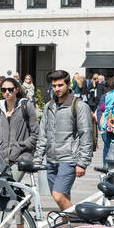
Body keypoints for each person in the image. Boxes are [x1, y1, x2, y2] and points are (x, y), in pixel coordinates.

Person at [34, 69, 94, 211]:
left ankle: (79, 224)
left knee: (58, 195)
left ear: (68, 84)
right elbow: (43, 133)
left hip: (69, 159)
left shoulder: (79, 106)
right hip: (51, 159)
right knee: (63, 198)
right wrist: (38, 158)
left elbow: (86, 135)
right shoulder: (50, 106)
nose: (57, 89)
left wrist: (82, 163)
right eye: (54, 86)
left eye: (60, 85)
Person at [0, 76, 38, 177]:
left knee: (11, 183)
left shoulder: (26, 106)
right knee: (0, 189)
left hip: (21, 157)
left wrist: (20, 146)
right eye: (3, 90)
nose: (7, 92)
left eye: (10, 89)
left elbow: (36, 133)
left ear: (17, 89)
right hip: (1, 157)